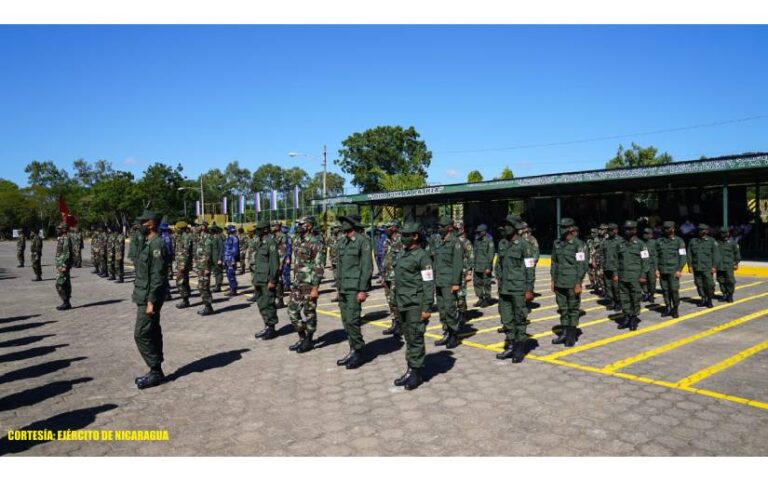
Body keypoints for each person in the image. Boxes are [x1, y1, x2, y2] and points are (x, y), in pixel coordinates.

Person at [392, 221, 434, 390]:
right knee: (409, 337)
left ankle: (417, 373)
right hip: (403, 302)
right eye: (402, 235)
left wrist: (426, 308)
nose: (402, 238)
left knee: (416, 338)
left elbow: (428, 283)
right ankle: (411, 369)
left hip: (415, 304)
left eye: (406, 235)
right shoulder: (403, 254)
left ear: (415, 236)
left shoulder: (422, 256)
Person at [131, 210, 169, 390]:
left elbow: (158, 276)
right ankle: (157, 370)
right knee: (152, 331)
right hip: (144, 295)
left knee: (141, 334)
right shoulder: (148, 243)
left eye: (143, 222)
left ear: (151, 224)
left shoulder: (157, 245)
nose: (140, 225)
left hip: (149, 297)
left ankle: (155, 369)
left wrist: (151, 301)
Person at [495, 218, 536, 362]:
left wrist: (529, 289)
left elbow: (530, 268)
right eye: (504, 225)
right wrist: (499, 280)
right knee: (506, 318)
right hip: (504, 289)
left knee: (519, 317)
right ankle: (510, 345)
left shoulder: (525, 245)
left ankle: (519, 348)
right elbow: (499, 264)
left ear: (514, 227)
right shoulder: (502, 243)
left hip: (519, 288)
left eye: (508, 226)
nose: (505, 228)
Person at [335, 214, 373, 369]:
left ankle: (359, 351)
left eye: (345, 222)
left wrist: (363, 289)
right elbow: (340, 267)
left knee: (352, 320)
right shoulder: (343, 241)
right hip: (344, 287)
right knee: (346, 322)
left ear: (353, 224)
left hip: (355, 288)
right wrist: (338, 288)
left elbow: (366, 267)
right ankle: (352, 349)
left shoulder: (362, 241)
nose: (342, 225)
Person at [286, 216, 326, 352]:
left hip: (309, 284)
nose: (297, 226)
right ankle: (302, 337)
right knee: (291, 310)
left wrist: (315, 287)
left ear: (309, 226)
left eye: (301, 224)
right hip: (298, 283)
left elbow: (319, 267)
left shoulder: (316, 243)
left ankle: (309, 339)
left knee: (309, 312)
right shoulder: (298, 240)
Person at [550, 218, 588, 346]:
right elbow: (554, 262)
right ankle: (564, 333)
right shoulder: (557, 243)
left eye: (564, 227)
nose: (561, 229)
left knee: (572, 309)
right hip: (560, 282)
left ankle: (571, 336)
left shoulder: (579, 245)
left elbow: (582, 265)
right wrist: (553, 280)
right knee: (563, 309)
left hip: (572, 283)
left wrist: (578, 282)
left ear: (571, 229)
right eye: (561, 227)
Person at [432, 216, 463, 349]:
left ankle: (454, 335)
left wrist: (456, 283)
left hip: (449, 282)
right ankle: (446, 332)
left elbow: (457, 265)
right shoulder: (439, 242)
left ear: (449, 227)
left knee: (450, 309)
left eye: (442, 226)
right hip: (439, 281)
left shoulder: (455, 242)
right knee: (442, 309)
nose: (439, 229)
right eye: (438, 226)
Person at [615, 221, 649, 331]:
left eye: (630, 229)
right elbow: (617, 260)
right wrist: (615, 274)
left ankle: (634, 318)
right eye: (626, 229)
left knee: (635, 297)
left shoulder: (641, 245)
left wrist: (643, 275)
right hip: (623, 276)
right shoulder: (620, 244)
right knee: (624, 297)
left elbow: (646, 261)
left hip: (635, 276)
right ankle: (626, 316)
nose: (627, 231)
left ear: (635, 230)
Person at [251, 220, 281, 340]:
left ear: (264, 230)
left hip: (267, 279)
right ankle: (266, 325)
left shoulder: (271, 242)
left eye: (259, 229)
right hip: (259, 278)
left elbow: (274, 264)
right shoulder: (260, 242)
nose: (256, 231)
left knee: (268, 304)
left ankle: (271, 329)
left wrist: (272, 281)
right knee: (261, 303)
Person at [656, 221, 687, 318]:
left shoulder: (679, 241)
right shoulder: (659, 241)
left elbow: (683, 256)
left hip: (674, 270)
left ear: (673, 229)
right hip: (663, 270)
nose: (667, 230)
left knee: (674, 290)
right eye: (665, 229)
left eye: (669, 228)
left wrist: (679, 269)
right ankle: (668, 307)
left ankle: (675, 308)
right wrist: (656, 269)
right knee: (665, 290)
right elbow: (656, 256)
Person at [688, 224, 720, 308]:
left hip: (707, 267)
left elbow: (716, 255)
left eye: (704, 230)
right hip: (697, 267)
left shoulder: (712, 241)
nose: (702, 232)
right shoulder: (693, 241)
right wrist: (690, 265)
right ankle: (703, 299)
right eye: (700, 230)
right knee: (699, 284)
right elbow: (689, 254)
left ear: (707, 231)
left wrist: (714, 266)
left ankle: (709, 299)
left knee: (710, 284)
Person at [381, 219, 404, 337]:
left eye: (388, 227)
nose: (386, 230)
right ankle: (394, 323)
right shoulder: (386, 242)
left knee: (396, 300)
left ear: (395, 227)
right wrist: (382, 276)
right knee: (390, 301)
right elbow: (384, 260)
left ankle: (401, 325)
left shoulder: (402, 241)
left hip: (397, 276)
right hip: (387, 276)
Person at [455, 221, 474, 325]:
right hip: (454, 272)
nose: (456, 231)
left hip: (463, 271)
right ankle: (457, 312)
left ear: (462, 230)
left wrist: (469, 272)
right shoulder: (453, 241)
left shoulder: (466, 242)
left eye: (458, 229)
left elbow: (471, 257)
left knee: (461, 294)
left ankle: (462, 313)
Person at [194, 222, 216, 316]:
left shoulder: (207, 237)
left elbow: (208, 253)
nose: (197, 227)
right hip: (200, 266)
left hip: (204, 266)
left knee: (204, 286)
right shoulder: (200, 236)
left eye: (198, 225)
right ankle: (207, 306)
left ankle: (208, 307)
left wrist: (207, 268)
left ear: (203, 227)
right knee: (201, 286)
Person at [473, 224, 495, 307]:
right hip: (477, 265)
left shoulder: (489, 240)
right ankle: (480, 298)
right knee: (477, 283)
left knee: (486, 283)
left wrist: (489, 267)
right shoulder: (477, 239)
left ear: (484, 231)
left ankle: (487, 299)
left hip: (485, 266)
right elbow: (474, 252)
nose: (478, 233)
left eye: (480, 232)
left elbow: (491, 254)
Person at [716, 228, 740, 303]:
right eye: (722, 233)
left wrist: (736, 263)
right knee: (721, 280)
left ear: (728, 233)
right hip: (719, 265)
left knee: (730, 281)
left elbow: (737, 254)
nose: (723, 235)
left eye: (725, 233)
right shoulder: (717, 243)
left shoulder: (733, 243)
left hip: (729, 265)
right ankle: (724, 294)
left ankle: (730, 295)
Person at [270, 221, 290, 308]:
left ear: (278, 226)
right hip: (272, 261)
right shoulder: (272, 236)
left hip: (278, 261)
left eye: (273, 226)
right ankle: (273, 299)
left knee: (278, 281)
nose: (272, 227)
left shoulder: (282, 236)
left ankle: (280, 300)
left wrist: (280, 264)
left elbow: (283, 251)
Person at [174, 221, 194, 308]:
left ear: (181, 229)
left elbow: (186, 252)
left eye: (177, 229)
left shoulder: (186, 237)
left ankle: (185, 300)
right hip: (181, 262)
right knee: (184, 281)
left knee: (180, 282)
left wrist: (182, 264)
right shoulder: (181, 236)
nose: (176, 230)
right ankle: (186, 298)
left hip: (183, 263)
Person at [601, 223, 621, 311]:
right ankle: (612, 301)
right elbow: (602, 254)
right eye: (608, 230)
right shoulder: (605, 241)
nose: (609, 232)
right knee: (608, 286)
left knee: (616, 287)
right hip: (607, 267)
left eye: (611, 230)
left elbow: (622, 256)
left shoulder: (620, 241)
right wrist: (602, 266)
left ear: (616, 230)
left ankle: (618, 303)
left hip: (616, 268)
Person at [54, 223, 74, 310]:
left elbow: (67, 253)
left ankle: (65, 301)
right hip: (61, 264)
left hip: (63, 265)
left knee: (59, 283)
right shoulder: (62, 238)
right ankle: (67, 302)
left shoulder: (65, 238)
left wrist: (64, 265)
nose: (57, 230)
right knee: (65, 282)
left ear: (64, 229)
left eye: (59, 228)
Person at [641, 227, 658, 303]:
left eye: (647, 234)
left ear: (651, 235)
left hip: (651, 265)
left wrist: (657, 268)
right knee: (643, 281)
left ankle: (652, 295)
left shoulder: (654, 243)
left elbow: (656, 256)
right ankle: (646, 293)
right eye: (644, 233)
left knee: (652, 281)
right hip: (642, 265)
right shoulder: (640, 243)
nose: (645, 235)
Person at [224, 225, 240, 296]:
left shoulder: (234, 238)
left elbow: (235, 250)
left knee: (231, 274)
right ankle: (231, 288)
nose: (226, 231)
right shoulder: (228, 237)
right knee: (228, 274)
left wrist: (233, 260)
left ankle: (233, 290)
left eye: (227, 229)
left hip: (231, 259)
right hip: (227, 259)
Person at [210, 224, 225, 292]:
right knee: (215, 272)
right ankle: (217, 284)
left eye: (212, 230)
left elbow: (222, 248)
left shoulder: (219, 237)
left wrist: (220, 259)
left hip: (217, 258)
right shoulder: (212, 237)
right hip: (212, 258)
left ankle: (218, 286)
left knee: (219, 272)